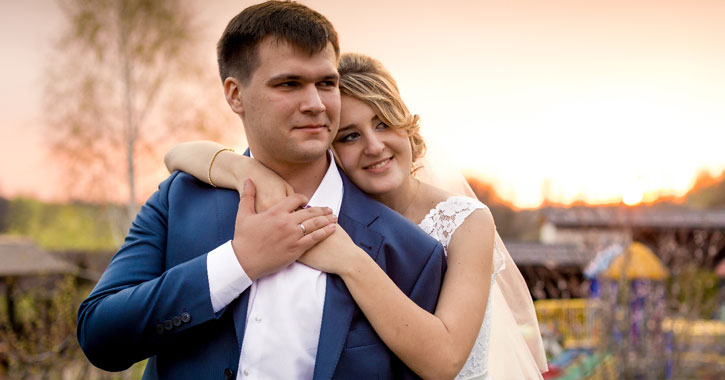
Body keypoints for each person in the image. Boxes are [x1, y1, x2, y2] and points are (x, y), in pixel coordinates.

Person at [76, 2, 445, 379]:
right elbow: (100, 335)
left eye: (326, 83)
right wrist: (238, 263)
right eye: (289, 84)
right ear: (235, 95)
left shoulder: (412, 252)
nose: (316, 104)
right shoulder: (180, 199)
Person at [165, 53, 548, 379]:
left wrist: (349, 260)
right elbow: (177, 155)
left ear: (406, 125)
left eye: (383, 124)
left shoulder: (465, 221)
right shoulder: (333, 209)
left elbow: (445, 359)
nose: (374, 146)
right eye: (349, 136)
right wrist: (243, 170)